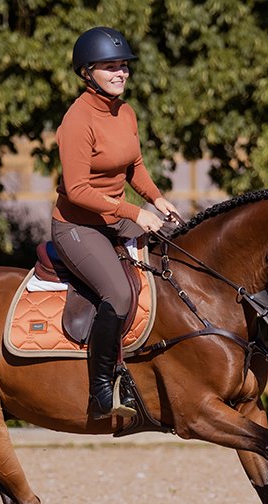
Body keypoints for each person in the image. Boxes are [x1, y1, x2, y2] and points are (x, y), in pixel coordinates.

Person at [51, 26, 179, 420]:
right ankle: (101, 389)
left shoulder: (125, 112)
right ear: (87, 72)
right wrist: (135, 212)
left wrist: (156, 199)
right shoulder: (77, 120)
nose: (121, 73)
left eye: (123, 66)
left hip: (115, 217)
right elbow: (76, 190)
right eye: (111, 67)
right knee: (119, 295)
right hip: (78, 225)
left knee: (180, 244)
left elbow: (134, 168)